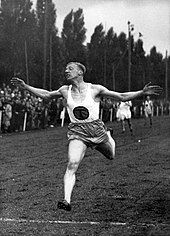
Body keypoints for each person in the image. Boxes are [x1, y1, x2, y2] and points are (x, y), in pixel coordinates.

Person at [11, 62, 162, 211]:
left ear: (80, 72)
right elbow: (46, 95)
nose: (66, 71)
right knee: (72, 164)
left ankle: (109, 136)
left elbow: (122, 96)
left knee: (111, 155)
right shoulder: (65, 90)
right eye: (66, 68)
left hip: (97, 130)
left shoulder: (95, 89)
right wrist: (26, 87)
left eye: (70, 69)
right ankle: (66, 200)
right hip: (78, 132)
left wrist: (141, 93)